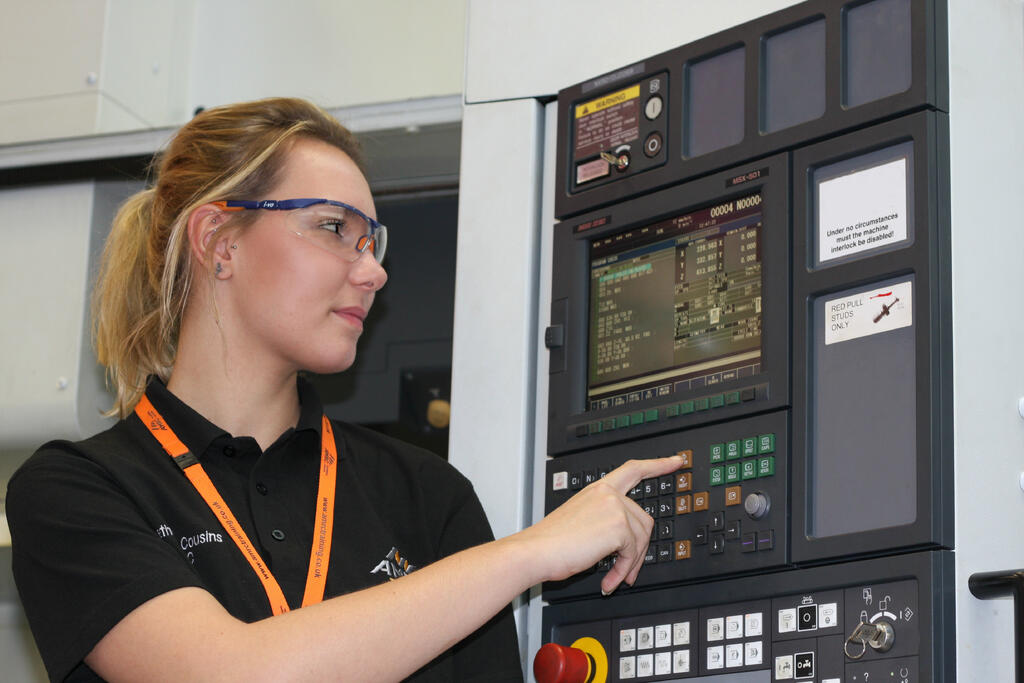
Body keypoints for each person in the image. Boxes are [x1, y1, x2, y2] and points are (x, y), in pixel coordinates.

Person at [5, 98, 683, 682]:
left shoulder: (424, 496)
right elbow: (229, 672)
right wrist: (528, 552)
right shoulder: (79, 490)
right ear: (219, 240)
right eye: (334, 229)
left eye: (372, 242)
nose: (373, 273)